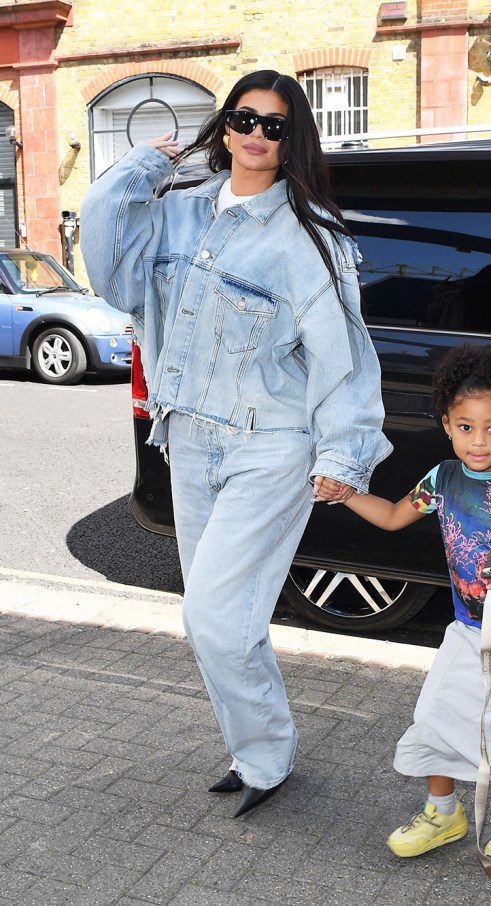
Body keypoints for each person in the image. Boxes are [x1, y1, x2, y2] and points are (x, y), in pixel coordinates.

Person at [79, 70, 392, 818]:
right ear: (224, 125)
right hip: (187, 441)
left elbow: (344, 357)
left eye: (275, 125)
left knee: (214, 617)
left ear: (293, 142)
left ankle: (266, 753)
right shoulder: (177, 212)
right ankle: (260, 755)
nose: (256, 133)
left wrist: (342, 455)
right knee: (228, 618)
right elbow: (104, 253)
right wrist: (146, 164)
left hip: (270, 450)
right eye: (245, 118)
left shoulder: (310, 240)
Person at [317, 344, 491, 868]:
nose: (479, 440)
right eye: (466, 427)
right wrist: (346, 494)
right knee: (437, 718)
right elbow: (395, 516)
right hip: (466, 633)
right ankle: (444, 813)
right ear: (447, 426)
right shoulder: (442, 479)